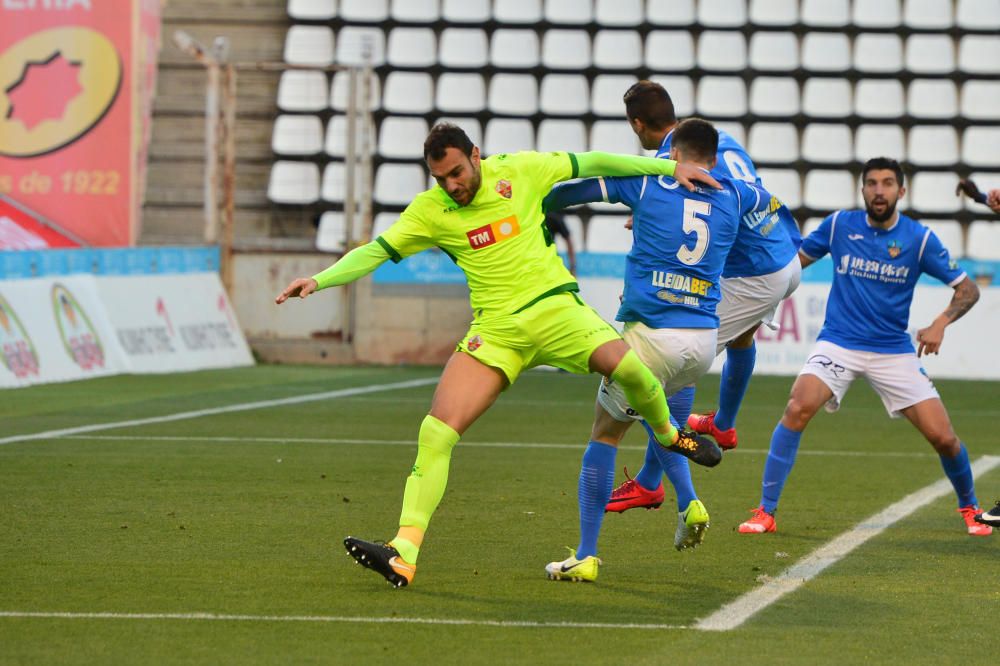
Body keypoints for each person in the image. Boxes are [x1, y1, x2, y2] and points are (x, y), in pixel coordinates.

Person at [275, 123, 724, 588]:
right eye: (440, 179)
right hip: (496, 331)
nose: (451, 185)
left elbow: (592, 162)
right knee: (436, 432)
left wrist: (670, 166)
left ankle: (670, 435)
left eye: (456, 172)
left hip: (555, 310)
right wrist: (321, 279)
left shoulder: (521, 171)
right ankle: (403, 551)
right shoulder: (432, 211)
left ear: (476, 154)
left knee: (630, 367)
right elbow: (376, 250)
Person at [540, 118, 784, 582]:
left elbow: (573, 194)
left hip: (651, 336)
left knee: (604, 435)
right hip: (702, 343)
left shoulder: (649, 184)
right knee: (662, 418)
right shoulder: (734, 193)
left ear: (673, 154)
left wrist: (536, 204)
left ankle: (586, 555)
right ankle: (686, 499)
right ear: (712, 157)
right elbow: (769, 203)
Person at [738, 157, 991, 537]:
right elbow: (791, 266)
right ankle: (765, 511)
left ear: (901, 192)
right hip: (839, 341)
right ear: (862, 190)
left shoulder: (919, 240)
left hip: (893, 350)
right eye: (872, 183)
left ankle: (970, 507)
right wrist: (752, 294)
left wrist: (940, 323)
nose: (879, 191)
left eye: (887, 183)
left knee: (943, 437)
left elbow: (967, 289)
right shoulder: (839, 225)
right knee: (797, 406)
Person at [601, 81, 802, 519]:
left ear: (637, 125)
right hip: (781, 255)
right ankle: (724, 426)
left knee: (680, 352)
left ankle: (651, 485)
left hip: (752, 271)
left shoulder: (667, 160)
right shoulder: (716, 140)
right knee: (739, 340)